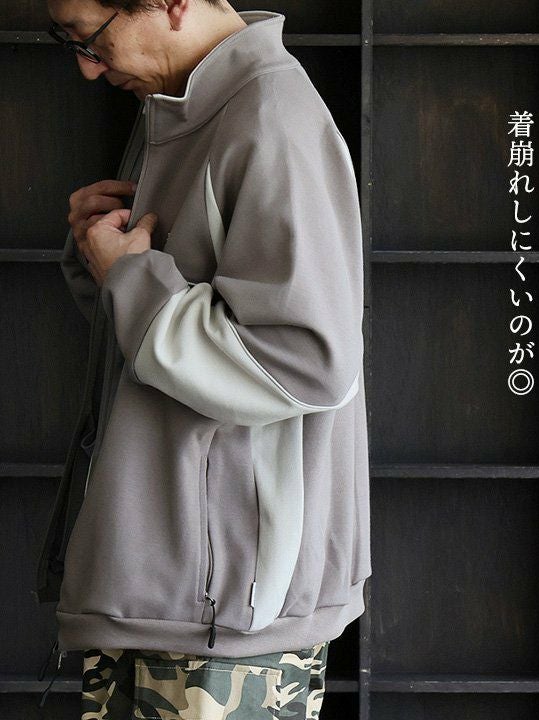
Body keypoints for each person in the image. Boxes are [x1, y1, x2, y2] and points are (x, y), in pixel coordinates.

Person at [35, 2, 372, 718]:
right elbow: (160, 360)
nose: (88, 68)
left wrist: (132, 278)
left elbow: (307, 364)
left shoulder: (272, 117)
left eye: (90, 38)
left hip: (223, 618)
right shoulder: (178, 111)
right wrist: (104, 258)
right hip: (167, 594)